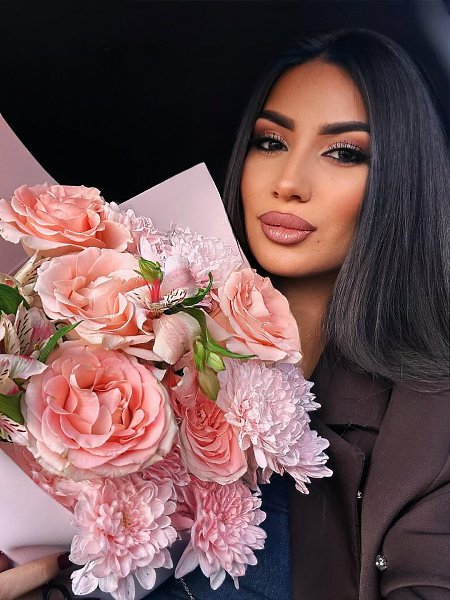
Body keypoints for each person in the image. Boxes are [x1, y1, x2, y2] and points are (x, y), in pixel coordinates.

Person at [153, 28, 450, 600]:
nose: (288, 183)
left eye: (344, 153)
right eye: (270, 142)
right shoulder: (145, 352)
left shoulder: (430, 425)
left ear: (403, 183)